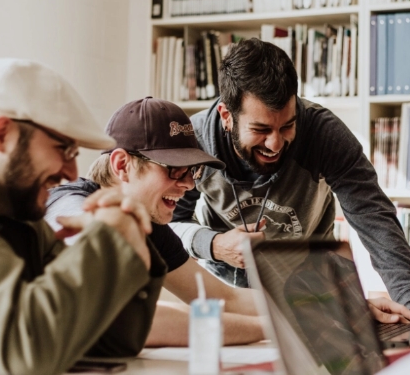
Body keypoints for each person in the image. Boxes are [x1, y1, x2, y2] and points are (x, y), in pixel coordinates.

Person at [0, 59, 165, 375]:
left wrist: (129, 236)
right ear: (1, 134)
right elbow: (22, 355)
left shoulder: (12, 207)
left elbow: (107, 343)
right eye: (64, 149)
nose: (71, 173)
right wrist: (110, 239)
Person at [171, 38, 410, 310]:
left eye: (287, 126)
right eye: (261, 130)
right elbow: (169, 225)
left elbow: (375, 221)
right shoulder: (195, 143)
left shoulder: (325, 134)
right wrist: (214, 245)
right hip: (227, 295)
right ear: (226, 116)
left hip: (313, 290)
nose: (275, 144)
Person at [46, 97, 267, 346]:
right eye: (174, 169)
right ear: (122, 165)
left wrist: (303, 308)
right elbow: (128, 318)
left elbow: (223, 298)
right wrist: (271, 328)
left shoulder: (149, 226)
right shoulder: (69, 206)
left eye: (192, 170)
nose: (189, 184)